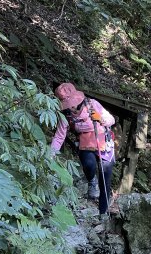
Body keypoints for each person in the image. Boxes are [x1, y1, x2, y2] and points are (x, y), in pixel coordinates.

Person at [50, 82, 116, 216]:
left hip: (104, 141)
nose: (71, 106)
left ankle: (103, 213)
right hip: (85, 143)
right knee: (89, 164)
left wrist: (100, 119)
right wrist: (51, 154)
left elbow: (111, 119)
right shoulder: (65, 115)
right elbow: (59, 136)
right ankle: (92, 181)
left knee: (105, 180)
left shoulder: (92, 104)